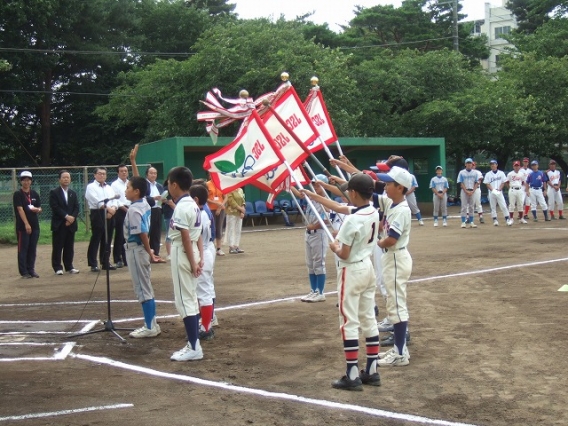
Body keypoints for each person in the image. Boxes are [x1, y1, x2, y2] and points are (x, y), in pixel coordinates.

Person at [328, 173, 381, 390]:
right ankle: (372, 371)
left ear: (352, 193)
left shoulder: (352, 219)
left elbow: (345, 254)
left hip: (352, 269)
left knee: (349, 321)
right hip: (367, 267)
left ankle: (351, 375)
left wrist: (335, 248)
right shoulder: (374, 211)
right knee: (368, 318)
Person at [375, 166, 414, 367]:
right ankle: (400, 349)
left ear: (400, 187)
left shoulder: (402, 210)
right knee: (393, 304)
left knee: (397, 306)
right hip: (393, 259)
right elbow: (371, 196)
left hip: (397, 258)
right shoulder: (392, 202)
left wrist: (378, 242)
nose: (385, 186)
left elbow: (391, 239)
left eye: (389, 184)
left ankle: (400, 354)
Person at [167, 166, 204, 361]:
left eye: (169, 184)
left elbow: (185, 234)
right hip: (190, 251)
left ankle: (194, 347)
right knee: (190, 298)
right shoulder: (191, 203)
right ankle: (193, 343)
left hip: (183, 252)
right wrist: (198, 259)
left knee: (185, 301)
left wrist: (192, 261)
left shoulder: (182, 206)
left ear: (175, 185)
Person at [124, 176, 162, 338]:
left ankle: (149, 326)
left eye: (128, 187)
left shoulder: (134, 209)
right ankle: (152, 323)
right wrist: (133, 162)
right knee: (146, 286)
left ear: (137, 191)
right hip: (140, 250)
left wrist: (149, 252)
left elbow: (142, 233)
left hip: (136, 250)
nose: (126, 190)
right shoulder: (144, 202)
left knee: (142, 288)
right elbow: (140, 182)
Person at [292, 175, 330, 303]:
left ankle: (320, 292)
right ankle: (313, 290)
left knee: (319, 264)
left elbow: (327, 219)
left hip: (319, 233)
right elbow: (300, 194)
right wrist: (289, 185)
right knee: (310, 264)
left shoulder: (326, 200)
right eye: (313, 184)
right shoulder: (311, 198)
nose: (314, 187)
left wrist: (314, 226)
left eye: (317, 185)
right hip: (308, 233)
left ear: (324, 185)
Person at [190, 183, 217, 341]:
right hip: (208, 249)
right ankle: (208, 321)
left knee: (203, 292)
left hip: (203, 252)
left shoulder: (199, 213)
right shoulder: (205, 209)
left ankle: (206, 328)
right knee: (208, 289)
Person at [85, 167, 118, 272]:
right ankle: (93, 263)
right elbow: (96, 200)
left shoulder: (109, 187)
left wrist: (112, 209)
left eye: (104, 174)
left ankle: (105, 262)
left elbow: (115, 200)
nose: (102, 175)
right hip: (97, 213)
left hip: (110, 213)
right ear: (95, 175)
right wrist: (108, 209)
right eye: (99, 173)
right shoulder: (91, 187)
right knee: (96, 238)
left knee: (107, 239)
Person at [49, 170, 80, 275]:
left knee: (69, 246)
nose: (66, 179)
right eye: (64, 177)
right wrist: (66, 217)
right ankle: (57, 267)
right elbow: (55, 207)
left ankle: (69, 266)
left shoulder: (73, 193)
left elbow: (76, 207)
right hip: (59, 223)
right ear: (59, 180)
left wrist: (72, 218)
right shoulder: (54, 192)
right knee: (58, 246)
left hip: (71, 224)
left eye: (68, 177)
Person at [13, 171, 42, 278]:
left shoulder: (34, 194)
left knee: (32, 248)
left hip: (35, 225)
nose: (26, 182)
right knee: (23, 248)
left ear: (31, 181)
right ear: (21, 181)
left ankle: (31, 269)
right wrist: (26, 224)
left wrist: (38, 210)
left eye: (28, 180)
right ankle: (24, 271)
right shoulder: (18, 194)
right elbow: (20, 210)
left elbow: (40, 207)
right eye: (24, 180)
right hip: (23, 226)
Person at [483, 159, 513, 226]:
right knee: (493, 207)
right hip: (491, 192)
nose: (493, 165)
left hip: (499, 191)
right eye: (491, 164)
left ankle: (507, 219)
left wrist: (499, 189)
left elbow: (503, 182)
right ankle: (495, 220)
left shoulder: (501, 173)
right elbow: (487, 183)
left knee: (503, 206)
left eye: (494, 164)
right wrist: (493, 190)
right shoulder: (488, 174)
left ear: (496, 165)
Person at [111, 164, 130, 268]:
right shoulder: (114, 185)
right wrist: (125, 209)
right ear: (118, 172)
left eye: (125, 171)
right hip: (120, 211)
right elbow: (116, 199)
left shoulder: (130, 183)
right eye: (122, 171)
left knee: (128, 235)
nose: (124, 172)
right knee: (119, 235)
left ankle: (126, 258)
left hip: (130, 209)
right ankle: (117, 258)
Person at [206, 175, 227, 256]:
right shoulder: (207, 184)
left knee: (219, 228)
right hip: (211, 209)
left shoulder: (221, 184)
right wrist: (216, 203)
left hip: (221, 209)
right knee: (211, 228)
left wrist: (220, 206)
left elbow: (226, 197)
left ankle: (219, 248)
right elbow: (206, 198)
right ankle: (210, 247)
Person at [457, 158, 479, 229]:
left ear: (472, 164)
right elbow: (461, 182)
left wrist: (473, 191)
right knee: (463, 206)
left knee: (472, 206)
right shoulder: (461, 172)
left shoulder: (475, 173)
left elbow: (476, 182)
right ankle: (463, 222)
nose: (469, 164)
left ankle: (471, 222)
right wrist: (466, 191)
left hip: (472, 190)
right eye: (467, 163)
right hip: (464, 191)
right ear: (465, 164)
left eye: (470, 163)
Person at [225, 188, 246, 254]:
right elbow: (231, 201)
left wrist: (242, 211)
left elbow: (243, 201)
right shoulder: (229, 190)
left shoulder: (240, 190)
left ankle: (236, 246)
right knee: (231, 229)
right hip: (231, 212)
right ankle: (231, 247)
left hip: (239, 213)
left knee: (238, 230)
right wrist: (241, 209)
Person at [161, 180, 175, 260]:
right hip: (169, 214)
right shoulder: (166, 189)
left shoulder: (176, 189)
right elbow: (170, 202)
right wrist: (178, 209)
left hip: (174, 213)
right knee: (169, 234)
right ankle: (169, 254)